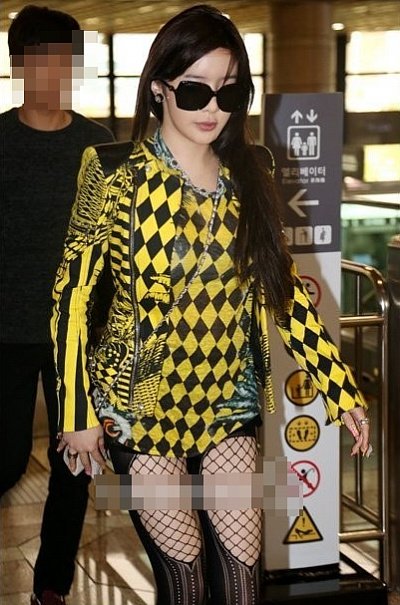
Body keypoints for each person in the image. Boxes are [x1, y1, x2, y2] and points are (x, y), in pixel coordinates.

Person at [51, 5, 371, 605]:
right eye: (195, 90)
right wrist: (76, 413)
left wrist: (340, 388)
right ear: (159, 88)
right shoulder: (114, 172)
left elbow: (280, 291)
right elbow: (71, 297)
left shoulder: (253, 169)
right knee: (186, 580)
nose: (213, 109)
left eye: (230, 91)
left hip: (229, 396)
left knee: (244, 579)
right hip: (140, 404)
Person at [0, 5, 114, 605]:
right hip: (5, 330)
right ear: (19, 64)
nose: (58, 72)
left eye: (68, 60)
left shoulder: (99, 146)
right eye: (44, 59)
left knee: (76, 456)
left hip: (77, 333)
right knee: (5, 458)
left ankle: (51, 585)